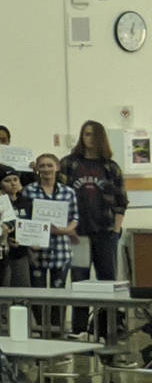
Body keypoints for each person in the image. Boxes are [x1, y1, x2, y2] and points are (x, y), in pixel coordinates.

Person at [61, 120, 129, 283]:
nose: (89, 138)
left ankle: (106, 310)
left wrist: (115, 230)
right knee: (79, 279)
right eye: (86, 134)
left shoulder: (111, 167)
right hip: (78, 233)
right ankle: (81, 310)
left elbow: (121, 201)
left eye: (93, 134)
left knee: (107, 279)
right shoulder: (69, 163)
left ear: (101, 138)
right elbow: (58, 194)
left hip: (105, 232)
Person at [26, 153, 82, 287]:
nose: (46, 169)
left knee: (59, 296)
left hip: (61, 250)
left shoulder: (68, 192)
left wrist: (65, 230)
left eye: (49, 165)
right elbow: (25, 218)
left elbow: (75, 217)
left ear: (57, 167)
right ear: (37, 169)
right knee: (37, 297)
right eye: (42, 166)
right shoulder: (28, 190)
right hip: (37, 251)